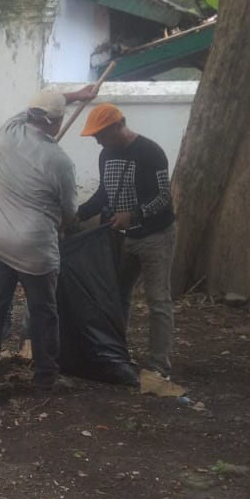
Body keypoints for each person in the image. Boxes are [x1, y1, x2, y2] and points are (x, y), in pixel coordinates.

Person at [0, 88, 80, 403]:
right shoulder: (60, 160)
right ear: (56, 123)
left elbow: (37, 107)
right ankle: (46, 380)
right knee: (43, 312)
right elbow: (70, 211)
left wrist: (73, 94)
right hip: (34, 249)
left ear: (29, 113)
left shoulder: (7, 132)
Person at [77, 103, 176, 377]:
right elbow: (104, 193)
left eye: (101, 134)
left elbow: (164, 197)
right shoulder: (106, 155)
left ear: (118, 127)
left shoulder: (150, 152)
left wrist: (134, 215)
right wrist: (77, 215)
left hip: (156, 236)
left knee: (158, 300)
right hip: (121, 239)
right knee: (117, 296)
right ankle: (117, 352)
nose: (98, 141)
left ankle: (158, 364)